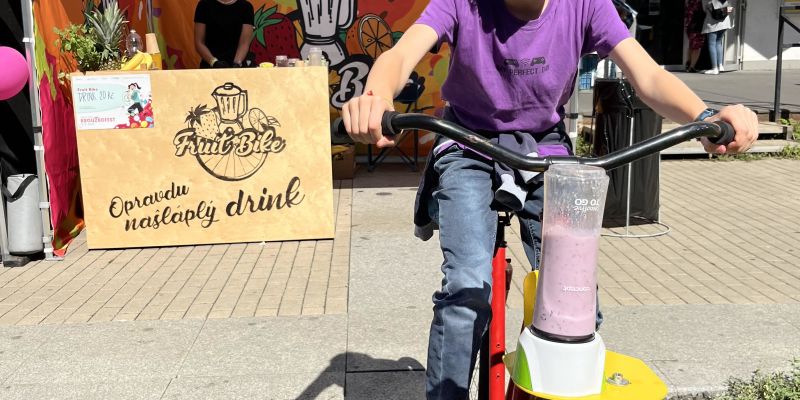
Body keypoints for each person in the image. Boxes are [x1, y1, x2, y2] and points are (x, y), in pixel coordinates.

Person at [339, 0, 758, 398]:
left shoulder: (586, 6)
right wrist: (375, 99)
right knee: (467, 287)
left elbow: (647, 76)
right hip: (468, 142)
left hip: (545, 149)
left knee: (575, 298)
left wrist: (705, 118)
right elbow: (400, 54)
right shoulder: (462, 4)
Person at [193, 0, 255, 68]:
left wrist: (237, 63)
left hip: (238, 67)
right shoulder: (204, 5)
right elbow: (199, 42)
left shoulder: (246, 7)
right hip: (210, 65)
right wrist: (213, 62)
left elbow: (244, 43)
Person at [702, 0, 734, 75]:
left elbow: (704, 9)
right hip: (724, 23)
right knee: (718, 43)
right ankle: (720, 65)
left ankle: (714, 68)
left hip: (713, 23)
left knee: (711, 44)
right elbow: (730, 8)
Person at [685, 0, 705, 72]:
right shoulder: (699, 2)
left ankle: (688, 62)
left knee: (691, 45)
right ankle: (692, 66)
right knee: (697, 46)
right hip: (697, 24)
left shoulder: (689, 2)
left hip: (689, 24)